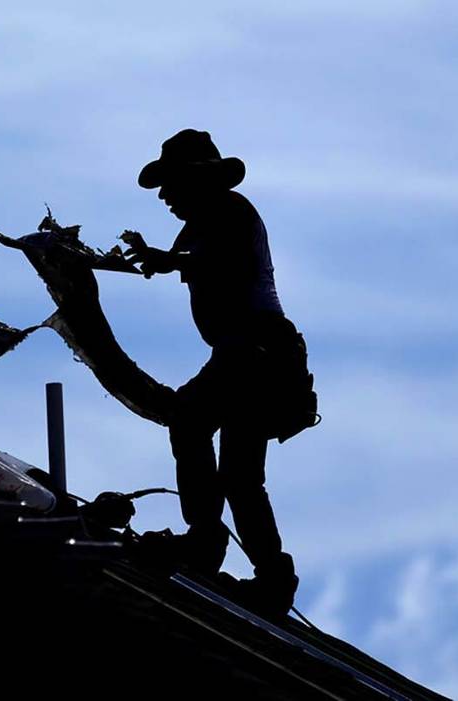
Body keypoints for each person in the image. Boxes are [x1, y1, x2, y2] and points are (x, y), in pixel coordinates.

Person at [125, 129, 315, 618]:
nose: (164, 196)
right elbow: (188, 260)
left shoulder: (231, 212)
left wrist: (166, 261)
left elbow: (215, 259)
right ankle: (268, 573)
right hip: (253, 355)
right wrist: (157, 261)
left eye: (170, 183)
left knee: (192, 423)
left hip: (255, 353)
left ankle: (210, 544)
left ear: (196, 179)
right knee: (238, 473)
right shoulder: (206, 220)